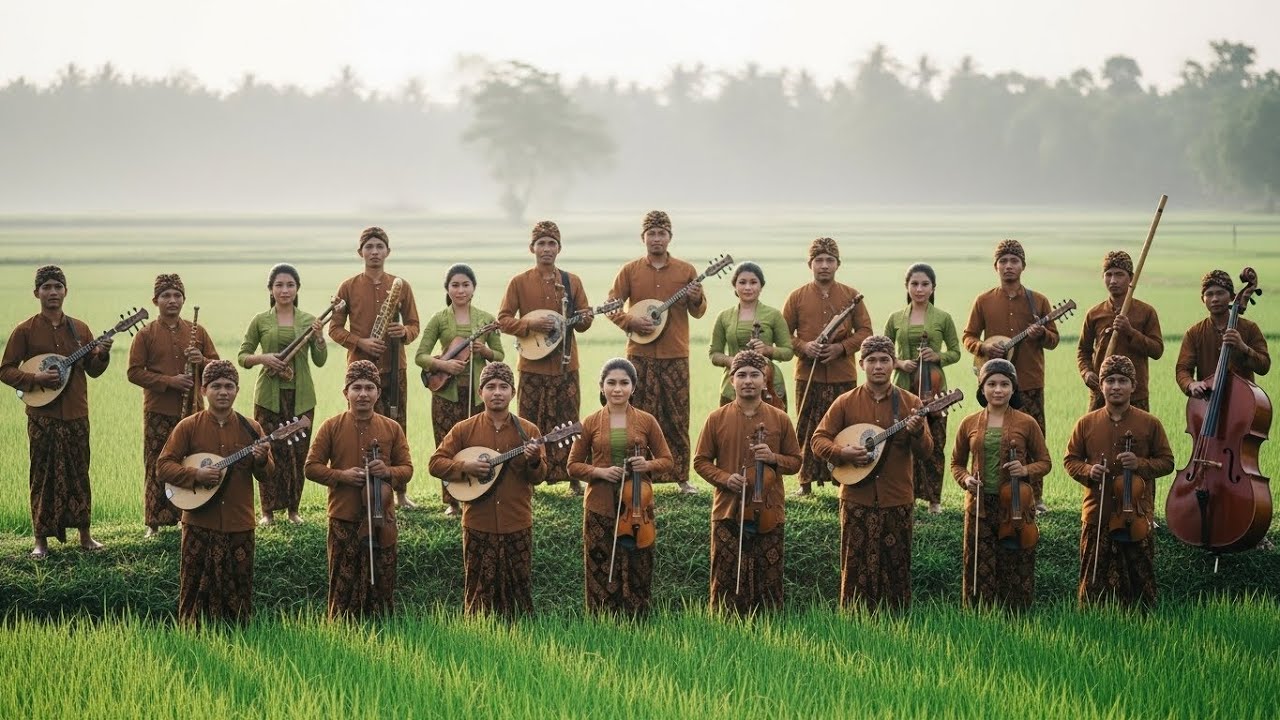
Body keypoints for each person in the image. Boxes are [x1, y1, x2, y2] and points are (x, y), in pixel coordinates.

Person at [811, 336, 931, 612]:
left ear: (893, 364)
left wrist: (917, 432)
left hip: (896, 497)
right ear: (861, 363)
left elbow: (926, 452)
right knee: (855, 564)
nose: (878, 366)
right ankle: (854, 621)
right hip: (856, 496)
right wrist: (843, 453)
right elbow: (819, 440)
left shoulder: (910, 402)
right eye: (872, 360)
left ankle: (896, 623)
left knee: (896, 564)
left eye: (885, 360)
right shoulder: (845, 402)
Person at [1, 266, 112, 558]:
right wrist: (35, 380)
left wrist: (103, 354)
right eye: (47, 287)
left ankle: (85, 537)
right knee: (42, 475)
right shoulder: (25, 330)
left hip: (76, 412)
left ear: (66, 291)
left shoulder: (80, 329)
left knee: (79, 473)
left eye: (57, 287)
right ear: (36, 292)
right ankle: (41, 541)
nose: (52, 292)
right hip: (42, 416)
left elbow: (94, 370)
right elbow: (6, 369)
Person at [156, 360, 274, 624]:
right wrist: (195, 475)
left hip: (239, 523)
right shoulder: (188, 426)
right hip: (199, 522)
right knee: (194, 589)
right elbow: (163, 467)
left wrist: (262, 459)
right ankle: (192, 640)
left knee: (238, 592)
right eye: (216, 386)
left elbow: (266, 476)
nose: (223, 391)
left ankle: (238, 641)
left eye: (229, 386)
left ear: (237, 391)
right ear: (203, 390)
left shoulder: (252, 428)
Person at [429, 363, 547, 617]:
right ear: (480, 392)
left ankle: (521, 638)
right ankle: (480, 636)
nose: (497, 392)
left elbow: (538, 477)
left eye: (504, 387)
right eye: (490, 387)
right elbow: (435, 464)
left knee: (519, 588)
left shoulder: (529, 431)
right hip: (477, 523)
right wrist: (465, 466)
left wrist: (534, 459)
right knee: (478, 588)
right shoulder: (463, 429)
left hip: (517, 520)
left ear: (513, 393)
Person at [694, 350, 803, 613]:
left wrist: (774, 458)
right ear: (732, 381)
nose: (748, 381)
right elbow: (700, 462)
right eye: (741, 375)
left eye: (755, 375)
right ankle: (726, 631)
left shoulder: (780, 419)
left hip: (768, 511)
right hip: (727, 510)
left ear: (765, 381)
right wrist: (725, 478)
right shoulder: (716, 418)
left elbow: (796, 462)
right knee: (726, 578)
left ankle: (769, 630)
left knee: (769, 578)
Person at [304, 360, 413, 618]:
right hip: (344, 517)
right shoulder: (331, 426)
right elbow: (311, 467)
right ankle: (342, 634)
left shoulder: (392, 428)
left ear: (378, 392)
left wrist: (387, 472)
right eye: (356, 388)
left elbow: (407, 469)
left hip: (381, 519)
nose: (363, 394)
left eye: (369, 387)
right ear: (346, 393)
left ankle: (382, 631)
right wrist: (340, 475)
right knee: (343, 582)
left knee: (383, 582)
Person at [608, 210, 707, 494]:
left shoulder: (686, 270)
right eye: (651, 233)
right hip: (640, 354)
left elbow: (699, 311)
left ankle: (681, 477)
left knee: (677, 415)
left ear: (669, 237)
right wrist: (631, 321)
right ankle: (637, 476)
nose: (656, 238)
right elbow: (612, 306)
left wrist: (696, 297)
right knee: (638, 416)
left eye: (661, 233)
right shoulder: (630, 270)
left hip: (676, 353)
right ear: (643, 238)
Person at [1064, 355, 1174, 609]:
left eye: (1123, 381)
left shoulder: (1149, 423)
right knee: (1092, 582)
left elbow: (1167, 462)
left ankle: (1143, 628)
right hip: (1097, 512)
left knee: (1140, 582)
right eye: (1110, 380)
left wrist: (1140, 464)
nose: (1116, 386)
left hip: (1135, 515)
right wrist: (1089, 471)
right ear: (1100, 386)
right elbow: (1070, 460)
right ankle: (1093, 628)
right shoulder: (1085, 423)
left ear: (1133, 386)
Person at [568, 358, 674, 616]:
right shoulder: (590, 422)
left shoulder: (647, 421)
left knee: (639, 564)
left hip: (638, 504)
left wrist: (646, 465)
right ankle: (602, 621)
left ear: (633, 387)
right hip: (599, 505)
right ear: (602, 387)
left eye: (624, 383)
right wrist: (599, 471)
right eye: (611, 383)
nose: (618, 389)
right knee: (600, 566)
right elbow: (572, 466)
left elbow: (667, 461)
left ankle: (637, 620)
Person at [962, 239, 1059, 515]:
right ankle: (993, 492)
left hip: (1029, 381)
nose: (1008, 266)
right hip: (994, 385)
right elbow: (968, 336)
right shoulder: (983, 301)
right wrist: (983, 347)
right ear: (996, 267)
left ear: (1023, 266)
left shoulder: (1038, 301)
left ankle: (1035, 498)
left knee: (1033, 438)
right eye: (1003, 261)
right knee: (993, 439)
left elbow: (1054, 340)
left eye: (1013, 261)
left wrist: (1042, 334)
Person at [329, 226, 421, 509]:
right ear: (360, 253)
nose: (374, 252)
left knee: (396, 427)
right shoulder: (347, 286)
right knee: (359, 428)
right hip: (360, 370)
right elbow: (334, 329)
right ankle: (360, 489)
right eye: (369, 247)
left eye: (379, 247)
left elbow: (415, 325)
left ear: (388, 252)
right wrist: (362, 343)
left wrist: (402, 332)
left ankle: (399, 493)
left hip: (395, 368)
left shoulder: (401, 285)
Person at [498, 221, 592, 495]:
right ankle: (531, 479)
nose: (546, 249)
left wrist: (584, 319)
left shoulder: (572, 281)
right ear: (532, 248)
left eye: (552, 243)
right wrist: (530, 326)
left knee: (568, 420)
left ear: (559, 248)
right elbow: (503, 320)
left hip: (566, 365)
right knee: (529, 421)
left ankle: (572, 477)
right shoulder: (519, 282)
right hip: (531, 365)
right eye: (542, 243)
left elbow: (584, 323)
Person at [949, 359, 1051, 610]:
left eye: (1005, 384)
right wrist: (966, 479)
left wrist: (1025, 469)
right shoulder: (969, 423)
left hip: (1016, 505)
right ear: (982, 388)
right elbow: (956, 463)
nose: (998, 390)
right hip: (979, 507)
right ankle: (979, 617)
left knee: (1017, 562)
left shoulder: (1027, 422)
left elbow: (1045, 462)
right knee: (978, 565)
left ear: (1013, 389)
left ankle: (1016, 617)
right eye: (991, 384)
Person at [127, 272, 218, 537]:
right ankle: (153, 523)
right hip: (158, 411)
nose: (172, 300)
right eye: (166, 295)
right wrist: (169, 381)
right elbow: (134, 373)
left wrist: (201, 359)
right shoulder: (146, 334)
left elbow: (216, 367)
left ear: (183, 300)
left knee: (191, 463)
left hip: (192, 412)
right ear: (155, 301)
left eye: (177, 295)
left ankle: (187, 517)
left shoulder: (197, 331)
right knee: (157, 463)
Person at [238, 263, 328, 525]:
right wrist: (264, 358)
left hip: (301, 398)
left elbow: (320, 360)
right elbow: (243, 356)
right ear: (270, 289)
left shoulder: (310, 321)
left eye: (290, 285)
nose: (284, 290)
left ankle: (293, 510)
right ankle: (267, 511)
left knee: (297, 453)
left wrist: (320, 338)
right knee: (267, 449)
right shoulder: (261, 320)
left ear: (297, 288)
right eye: (279, 285)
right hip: (268, 397)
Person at [782, 237, 873, 496]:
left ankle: (844, 480)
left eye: (829, 261)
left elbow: (865, 331)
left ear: (837, 264)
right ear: (810, 264)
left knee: (844, 427)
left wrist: (840, 348)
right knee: (806, 425)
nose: (824, 265)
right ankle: (805, 483)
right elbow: (783, 333)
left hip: (842, 374)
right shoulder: (797, 296)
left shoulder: (851, 295)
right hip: (806, 374)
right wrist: (803, 346)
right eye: (819, 260)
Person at [416, 263, 504, 516]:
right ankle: (452, 501)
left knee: (476, 443)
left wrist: (485, 351)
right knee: (447, 445)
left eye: (466, 284)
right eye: (455, 285)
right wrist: (444, 364)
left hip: (477, 395)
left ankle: (476, 495)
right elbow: (420, 356)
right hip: (446, 393)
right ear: (447, 288)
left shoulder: (486, 319)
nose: (461, 289)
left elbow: (499, 355)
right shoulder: (439, 319)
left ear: (474, 288)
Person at [884, 263, 961, 514]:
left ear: (933, 288)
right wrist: (898, 362)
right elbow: (882, 351)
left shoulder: (943, 318)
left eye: (925, 284)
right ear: (907, 287)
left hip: (935, 389)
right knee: (903, 442)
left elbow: (956, 353)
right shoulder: (895, 318)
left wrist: (937, 356)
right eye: (914, 284)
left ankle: (934, 501)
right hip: (903, 386)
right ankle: (905, 496)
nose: (919, 289)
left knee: (935, 443)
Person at [1076, 251, 1163, 412]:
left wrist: (1130, 332)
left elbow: (1157, 350)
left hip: (1135, 394)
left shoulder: (1146, 312)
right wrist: (1086, 373)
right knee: (1097, 435)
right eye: (1108, 275)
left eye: (1119, 275)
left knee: (1137, 436)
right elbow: (1083, 351)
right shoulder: (1094, 313)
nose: (1113, 280)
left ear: (1131, 278)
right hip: (1101, 391)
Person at [708, 262, 793, 411]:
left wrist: (767, 350)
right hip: (733, 383)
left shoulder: (773, 315)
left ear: (761, 286)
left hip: (769, 383)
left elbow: (788, 351)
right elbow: (714, 354)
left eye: (753, 282)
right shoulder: (724, 317)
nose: (748, 287)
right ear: (735, 286)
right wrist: (732, 361)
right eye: (742, 282)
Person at [1175, 269, 1270, 399]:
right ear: (1203, 299)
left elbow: (1264, 367)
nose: (1215, 299)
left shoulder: (1250, 328)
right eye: (1209, 294)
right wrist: (1191, 384)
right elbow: (1182, 369)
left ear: (1232, 297)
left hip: (1242, 403)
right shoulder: (1194, 333)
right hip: (1207, 402)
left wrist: (1243, 347)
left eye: (1220, 293)